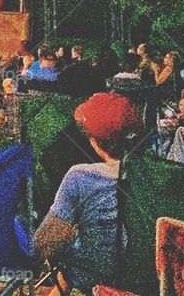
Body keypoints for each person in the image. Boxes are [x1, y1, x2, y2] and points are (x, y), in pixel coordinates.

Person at [33, 92, 143, 292]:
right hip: (145, 277)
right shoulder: (155, 174)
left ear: (94, 139)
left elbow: (43, 244)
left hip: (95, 278)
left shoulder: (81, 177)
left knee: (67, 259)